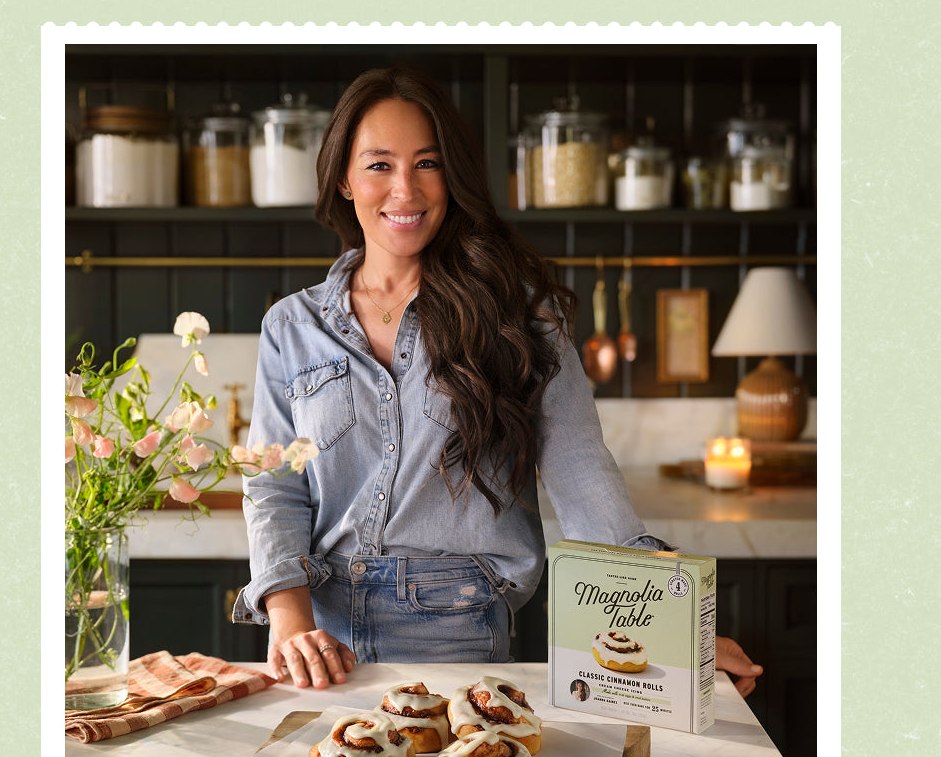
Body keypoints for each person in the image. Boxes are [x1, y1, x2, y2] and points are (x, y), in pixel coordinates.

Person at [231, 65, 762, 699]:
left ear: (452, 176)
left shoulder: (516, 317)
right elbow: (275, 486)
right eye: (378, 165)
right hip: (319, 641)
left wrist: (683, 632)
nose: (405, 189)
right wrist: (289, 620)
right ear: (343, 177)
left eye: (427, 163)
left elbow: (582, 474)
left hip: (457, 631)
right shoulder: (291, 325)